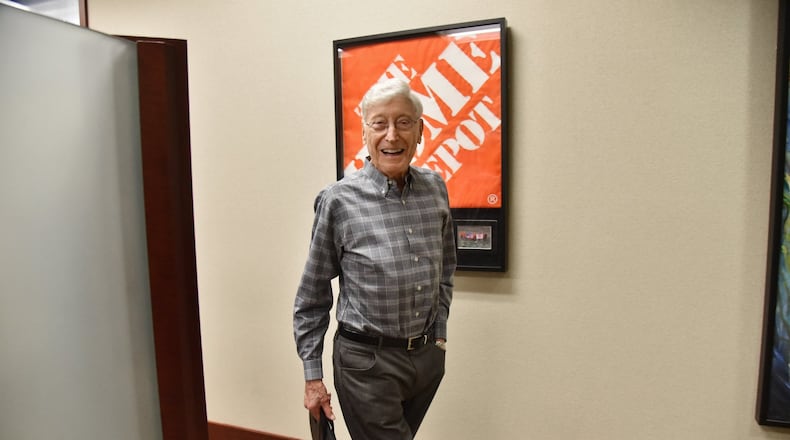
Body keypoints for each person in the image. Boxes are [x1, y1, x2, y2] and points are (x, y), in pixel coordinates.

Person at [293, 78, 457, 439]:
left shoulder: (435, 188)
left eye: (403, 122)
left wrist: (440, 336)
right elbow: (312, 295)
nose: (392, 136)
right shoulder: (338, 201)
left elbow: (445, 268)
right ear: (364, 132)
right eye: (379, 123)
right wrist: (313, 376)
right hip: (366, 365)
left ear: (420, 131)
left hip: (426, 360)